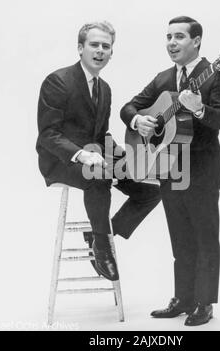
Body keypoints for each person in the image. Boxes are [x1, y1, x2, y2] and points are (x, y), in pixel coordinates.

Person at [120, 16, 220, 326]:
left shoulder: (218, 74)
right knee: (180, 236)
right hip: (169, 167)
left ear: (196, 41)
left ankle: (204, 303)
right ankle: (183, 298)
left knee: (204, 235)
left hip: (202, 166)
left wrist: (198, 108)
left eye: (179, 37)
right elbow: (128, 107)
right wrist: (138, 121)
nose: (171, 43)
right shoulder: (162, 78)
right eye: (168, 36)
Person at [36, 21, 160, 282]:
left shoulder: (104, 89)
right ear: (80, 48)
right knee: (98, 177)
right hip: (60, 161)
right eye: (94, 44)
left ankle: (99, 235)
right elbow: (48, 135)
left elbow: (101, 134)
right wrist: (82, 155)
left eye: (106, 46)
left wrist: (124, 158)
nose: (100, 50)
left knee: (152, 189)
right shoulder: (58, 81)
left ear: (111, 53)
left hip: (95, 158)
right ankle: (102, 251)